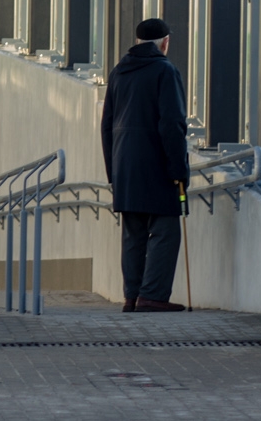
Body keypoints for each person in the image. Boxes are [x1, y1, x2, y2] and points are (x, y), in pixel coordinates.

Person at [100, 17, 190, 313]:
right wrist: (179, 169)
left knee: (133, 233)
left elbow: (107, 125)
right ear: (165, 43)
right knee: (165, 231)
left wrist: (113, 171)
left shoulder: (118, 72)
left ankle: (132, 295)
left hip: (124, 166)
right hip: (157, 165)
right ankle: (152, 296)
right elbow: (173, 124)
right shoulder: (166, 71)